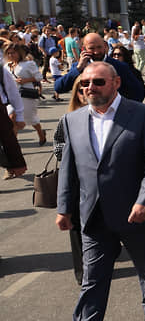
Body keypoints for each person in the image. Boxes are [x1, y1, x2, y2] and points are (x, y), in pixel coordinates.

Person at [54, 62, 145, 321]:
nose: (90, 88)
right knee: (92, 281)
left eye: (98, 82)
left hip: (135, 214)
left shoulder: (140, 114)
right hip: (93, 217)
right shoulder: (72, 119)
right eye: (85, 84)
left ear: (116, 83)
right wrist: (64, 209)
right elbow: (68, 169)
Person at [53, 78, 88, 284]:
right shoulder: (68, 119)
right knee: (76, 228)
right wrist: (71, 152)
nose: (87, 93)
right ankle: (82, 272)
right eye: (81, 91)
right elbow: (57, 144)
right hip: (75, 181)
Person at [55, 33, 145, 102]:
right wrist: (78, 68)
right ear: (84, 49)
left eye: (99, 47)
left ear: (105, 46)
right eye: (92, 48)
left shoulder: (119, 66)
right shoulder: (79, 67)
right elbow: (59, 87)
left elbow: (139, 94)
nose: (96, 51)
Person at [4, 42, 46, 146]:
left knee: (30, 118)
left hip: (26, 95)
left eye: (13, 53)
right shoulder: (6, 66)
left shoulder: (28, 64)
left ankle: (41, 133)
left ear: (19, 53)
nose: (10, 55)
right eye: (8, 53)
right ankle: (13, 144)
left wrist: (26, 80)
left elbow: (39, 77)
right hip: (11, 96)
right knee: (12, 117)